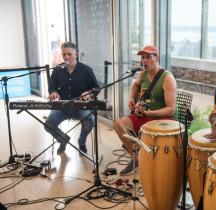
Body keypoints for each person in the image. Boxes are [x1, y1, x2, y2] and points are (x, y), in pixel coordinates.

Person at [113, 45, 177, 175]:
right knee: (118, 124)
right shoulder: (142, 74)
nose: (144, 61)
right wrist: (132, 98)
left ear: (157, 58)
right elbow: (135, 85)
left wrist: (149, 113)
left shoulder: (167, 78)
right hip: (144, 115)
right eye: (143, 57)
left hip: (162, 119)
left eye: (148, 57)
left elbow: (171, 109)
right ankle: (136, 158)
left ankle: (149, 161)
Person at [45, 41, 99, 155]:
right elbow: (52, 87)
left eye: (69, 54)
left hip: (80, 106)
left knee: (90, 121)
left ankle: (82, 141)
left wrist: (89, 93)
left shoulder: (86, 70)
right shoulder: (57, 70)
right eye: (64, 54)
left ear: (76, 54)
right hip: (62, 106)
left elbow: (96, 88)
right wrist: (53, 93)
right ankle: (63, 139)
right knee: (48, 124)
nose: (66, 57)